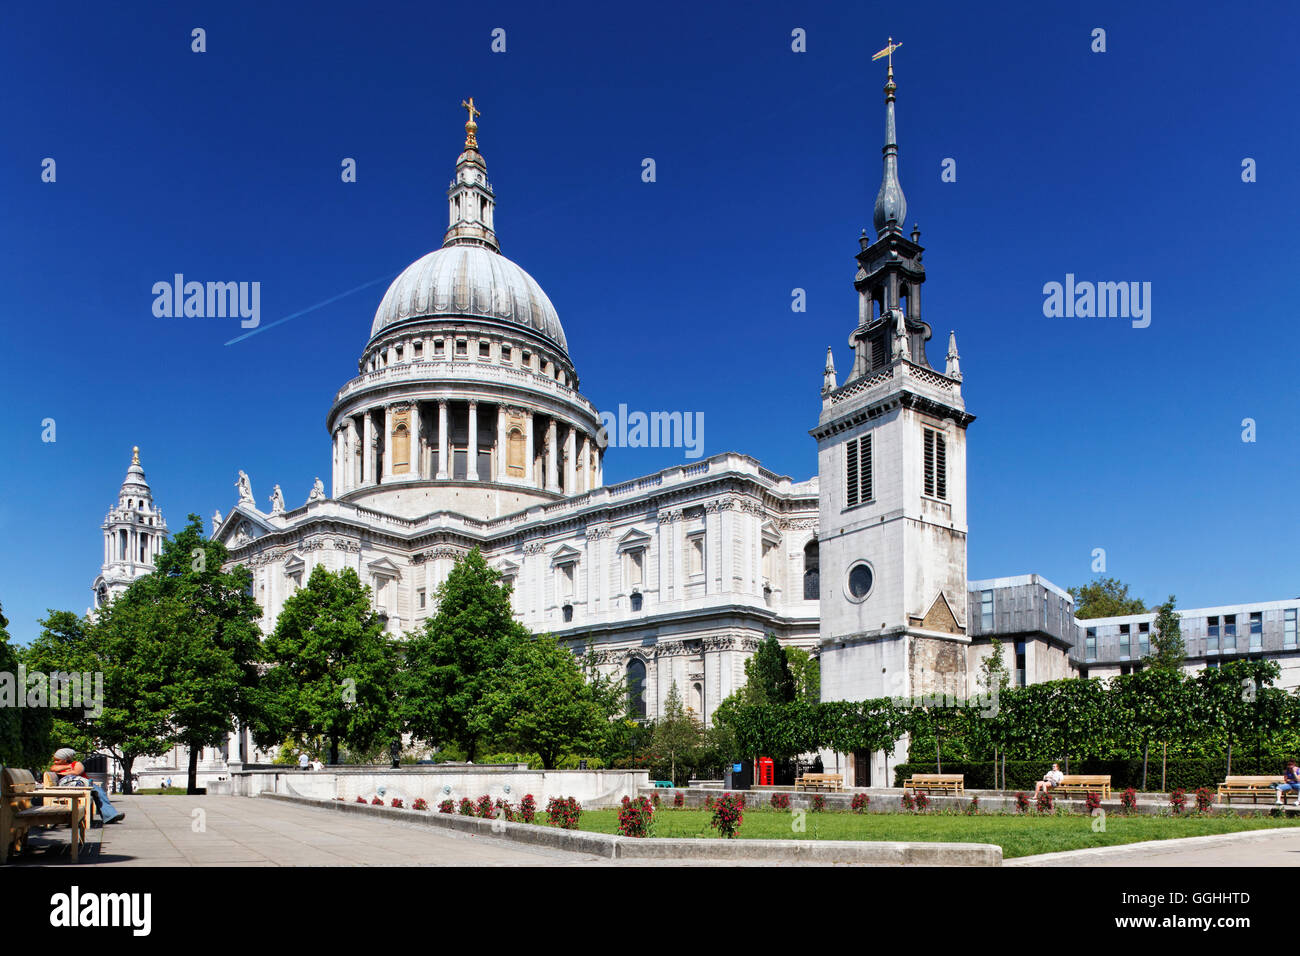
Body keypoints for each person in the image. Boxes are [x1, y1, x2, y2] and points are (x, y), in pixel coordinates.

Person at [50, 748, 125, 825]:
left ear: (65, 759)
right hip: (73, 786)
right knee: (98, 792)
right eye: (55, 760)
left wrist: (64, 772)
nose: (55, 762)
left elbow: (77, 772)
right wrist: (69, 767)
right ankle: (110, 816)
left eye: (57, 760)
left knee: (99, 793)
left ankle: (110, 816)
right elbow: (53, 768)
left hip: (85, 784)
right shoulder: (58, 766)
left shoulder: (77, 763)